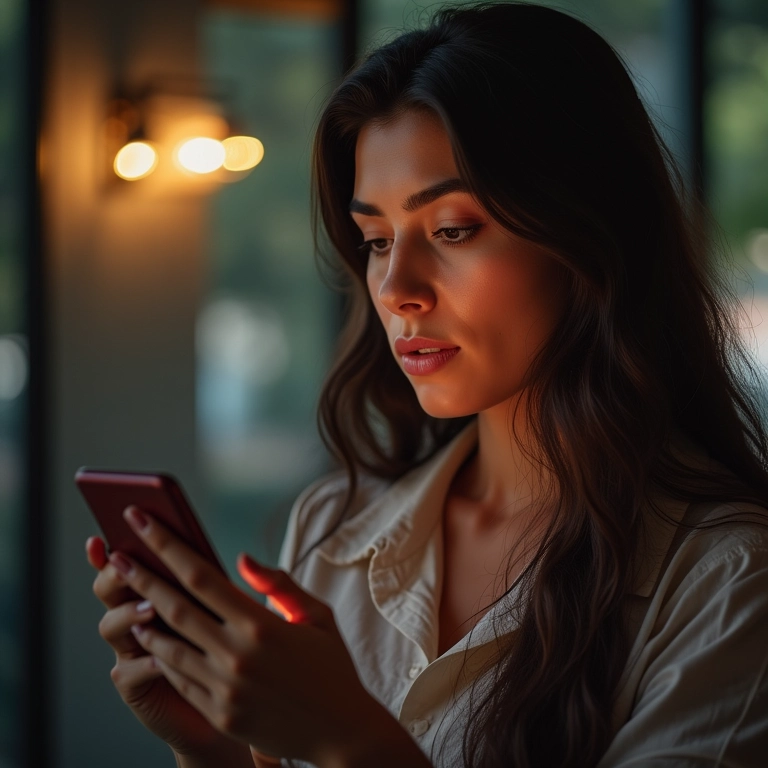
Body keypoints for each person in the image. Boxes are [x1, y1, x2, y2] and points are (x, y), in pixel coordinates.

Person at [86, 3, 768, 767]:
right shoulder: (334, 530)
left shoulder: (727, 582)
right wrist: (212, 749)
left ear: (588, 238)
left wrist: (351, 739)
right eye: (377, 240)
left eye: (451, 230)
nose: (397, 288)